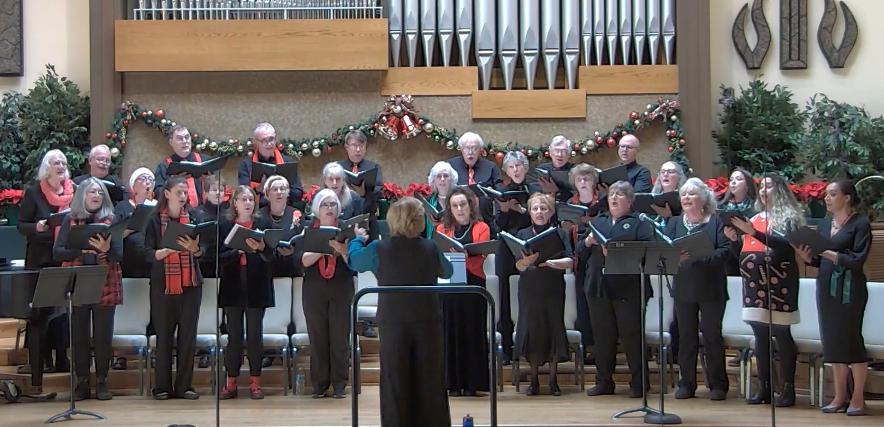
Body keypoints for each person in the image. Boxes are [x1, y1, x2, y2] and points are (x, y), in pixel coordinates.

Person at [348, 197, 453, 427]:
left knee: (395, 378)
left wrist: (356, 241)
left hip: (394, 320)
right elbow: (448, 270)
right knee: (430, 378)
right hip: (427, 320)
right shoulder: (430, 247)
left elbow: (355, 262)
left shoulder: (379, 248)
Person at [724, 174, 804, 407]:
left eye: (768, 186)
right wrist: (733, 240)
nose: (762, 190)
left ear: (779, 190)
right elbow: (741, 251)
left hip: (779, 283)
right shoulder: (755, 218)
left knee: (781, 333)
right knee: (760, 336)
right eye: (761, 187)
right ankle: (766, 387)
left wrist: (753, 232)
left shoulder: (789, 218)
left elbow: (786, 247)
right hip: (753, 283)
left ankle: (788, 389)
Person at [794, 180, 871, 416]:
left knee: (851, 341)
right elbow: (820, 260)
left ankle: (858, 397)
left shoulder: (860, 223)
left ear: (847, 197)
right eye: (826, 194)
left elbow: (857, 260)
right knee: (833, 342)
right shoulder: (826, 223)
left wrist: (826, 252)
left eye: (832, 194)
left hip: (850, 289)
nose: (827, 198)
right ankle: (839, 396)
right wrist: (808, 256)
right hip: (826, 286)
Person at [581, 181, 654, 397]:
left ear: (630, 201)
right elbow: (579, 253)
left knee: (632, 336)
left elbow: (647, 252)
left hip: (628, 289)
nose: (614, 198)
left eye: (620, 194)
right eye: (612, 194)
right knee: (603, 337)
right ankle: (604, 381)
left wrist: (616, 253)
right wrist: (587, 242)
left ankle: (639, 383)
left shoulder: (639, 223)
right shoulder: (598, 222)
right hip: (598, 286)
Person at [53, 178, 123, 401]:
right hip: (78, 281)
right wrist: (81, 251)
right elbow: (58, 252)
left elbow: (119, 255)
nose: (97, 195)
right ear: (82, 195)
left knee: (103, 336)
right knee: (79, 336)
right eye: (92, 191)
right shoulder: (70, 220)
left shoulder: (112, 220)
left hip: (106, 280)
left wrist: (106, 249)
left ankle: (102, 380)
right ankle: (81, 381)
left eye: (100, 193)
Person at [661, 178, 730, 401]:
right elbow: (665, 253)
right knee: (686, 338)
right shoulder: (673, 223)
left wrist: (699, 256)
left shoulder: (716, 222)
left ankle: (718, 384)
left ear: (704, 198)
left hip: (711, 288)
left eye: (692, 194)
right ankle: (686, 384)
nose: (686, 198)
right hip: (684, 288)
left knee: (712, 337)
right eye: (684, 194)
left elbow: (725, 252)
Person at [143, 175, 205, 400]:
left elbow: (204, 252)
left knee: (188, 336)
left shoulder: (196, 218)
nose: (183, 196)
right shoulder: (153, 220)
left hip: (190, 285)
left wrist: (195, 249)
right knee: (164, 336)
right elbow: (145, 251)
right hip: (163, 285)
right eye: (178, 192)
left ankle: (184, 386)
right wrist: (160, 253)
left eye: (185, 192)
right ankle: (161, 387)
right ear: (167, 194)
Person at [17, 149, 75, 390]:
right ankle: (37, 371)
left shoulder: (74, 192)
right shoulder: (34, 192)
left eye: (63, 162)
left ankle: (62, 360)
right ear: (47, 168)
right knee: (39, 316)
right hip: (40, 261)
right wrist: (39, 227)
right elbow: (22, 225)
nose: (60, 166)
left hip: (65, 259)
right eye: (55, 162)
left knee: (63, 315)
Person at [513, 193, 573, 396]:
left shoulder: (559, 233)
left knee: (553, 328)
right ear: (530, 212)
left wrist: (552, 263)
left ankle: (554, 380)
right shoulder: (521, 234)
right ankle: (534, 381)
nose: (539, 212)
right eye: (535, 208)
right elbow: (518, 266)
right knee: (533, 330)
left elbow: (571, 261)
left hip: (553, 287)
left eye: (544, 208)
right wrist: (526, 262)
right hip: (530, 288)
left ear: (550, 212)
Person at [218, 186, 275, 400]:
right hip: (232, 285)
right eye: (243, 199)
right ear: (235, 203)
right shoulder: (225, 225)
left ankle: (255, 383)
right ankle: (230, 383)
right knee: (234, 337)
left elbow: (271, 256)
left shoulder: (263, 224)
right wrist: (237, 250)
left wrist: (260, 249)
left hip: (256, 284)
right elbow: (217, 259)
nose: (248, 202)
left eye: (251, 199)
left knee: (254, 336)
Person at [300, 189, 355, 399]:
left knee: (340, 337)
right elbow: (303, 261)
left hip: (341, 287)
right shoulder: (308, 230)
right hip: (314, 288)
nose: (330, 208)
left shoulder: (346, 229)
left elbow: (353, 262)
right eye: (325, 205)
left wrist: (341, 249)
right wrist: (324, 247)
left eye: (333, 204)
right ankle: (320, 385)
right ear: (317, 209)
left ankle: (340, 384)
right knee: (318, 337)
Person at [436, 187, 491, 396]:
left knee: (472, 333)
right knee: (450, 333)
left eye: (463, 205)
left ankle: (472, 384)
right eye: (455, 206)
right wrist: (460, 255)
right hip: (450, 285)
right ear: (450, 209)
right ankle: (452, 384)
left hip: (473, 284)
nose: (459, 209)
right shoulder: (442, 229)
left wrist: (461, 255)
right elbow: (439, 254)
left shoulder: (481, 227)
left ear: (470, 206)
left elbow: (481, 254)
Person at [564, 164, 607, 364]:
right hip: (579, 258)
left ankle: (602, 348)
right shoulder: (570, 203)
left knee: (599, 303)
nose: (583, 182)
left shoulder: (604, 202)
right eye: (579, 179)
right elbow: (565, 234)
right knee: (583, 304)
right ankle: (588, 347)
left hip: (601, 258)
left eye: (587, 178)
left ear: (593, 181)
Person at [492, 151, 531, 364]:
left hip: (528, 249)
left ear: (526, 168)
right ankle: (507, 349)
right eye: (512, 166)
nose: (516, 169)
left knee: (527, 297)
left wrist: (522, 210)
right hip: (506, 250)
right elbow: (497, 224)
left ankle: (527, 347)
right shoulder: (500, 192)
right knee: (505, 297)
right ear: (506, 171)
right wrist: (506, 210)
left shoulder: (533, 190)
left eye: (519, 165)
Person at [237, 122, 303, 205]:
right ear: (256, 143)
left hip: (284, 208)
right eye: (264, 140)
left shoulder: (287, 162)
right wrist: (258, 189)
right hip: (258, 211)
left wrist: (284, 189)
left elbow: (298, 194)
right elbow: (244, 195)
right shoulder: (246, 164)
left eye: (271, 139)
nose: (269, 143)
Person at [154, 125, 213, 209]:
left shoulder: (205, 161)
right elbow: (158, 194)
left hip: (206, 212)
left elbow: (220, 186)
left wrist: (210, 180)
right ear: (171, 142)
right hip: (178, 213)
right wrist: (173, 183)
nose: (185, 141)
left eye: (187, 137)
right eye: (180, 138)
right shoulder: (164, 166)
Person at [338, 129, 383, 239]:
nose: (358, 150)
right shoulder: (338, 167)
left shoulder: (373, 167)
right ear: (346, 147)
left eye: (362, 146)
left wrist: (364, 193)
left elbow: (379, 191)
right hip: (344, 219)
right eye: (354, 145)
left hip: (368, 218)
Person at [447, 132, 501, 223]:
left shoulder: (491, 167)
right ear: (461, 149)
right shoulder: (450, 166)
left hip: (485, 218)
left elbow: (499, 190)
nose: (470, 152)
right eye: (467, 148)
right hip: (457, 218)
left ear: (480, 150)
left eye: (474, 148)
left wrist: (492, 191)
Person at [114, 167, 156, 278]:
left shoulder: (158, 206)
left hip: (153, 260)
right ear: (133, 186)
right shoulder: (123, 206)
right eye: (142, 178)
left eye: (150, 179)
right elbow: (114, 235)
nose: (147, 182)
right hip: (130, 260)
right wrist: (132, 226)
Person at [531, 135, 574, 201]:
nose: (560, 154)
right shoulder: (541, 169)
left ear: (568, 154)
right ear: (550, 153)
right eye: (556, 150)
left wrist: (557, 191)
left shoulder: (575, 170)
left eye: (564, 151)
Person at [423, 161, 459, 238]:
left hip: (456, 241)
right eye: (438, 176)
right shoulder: (427, 202)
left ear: (451, 179)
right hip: (432, 243)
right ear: (433, 180)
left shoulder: (459, 198)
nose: (442, 179)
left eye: (446, 176)